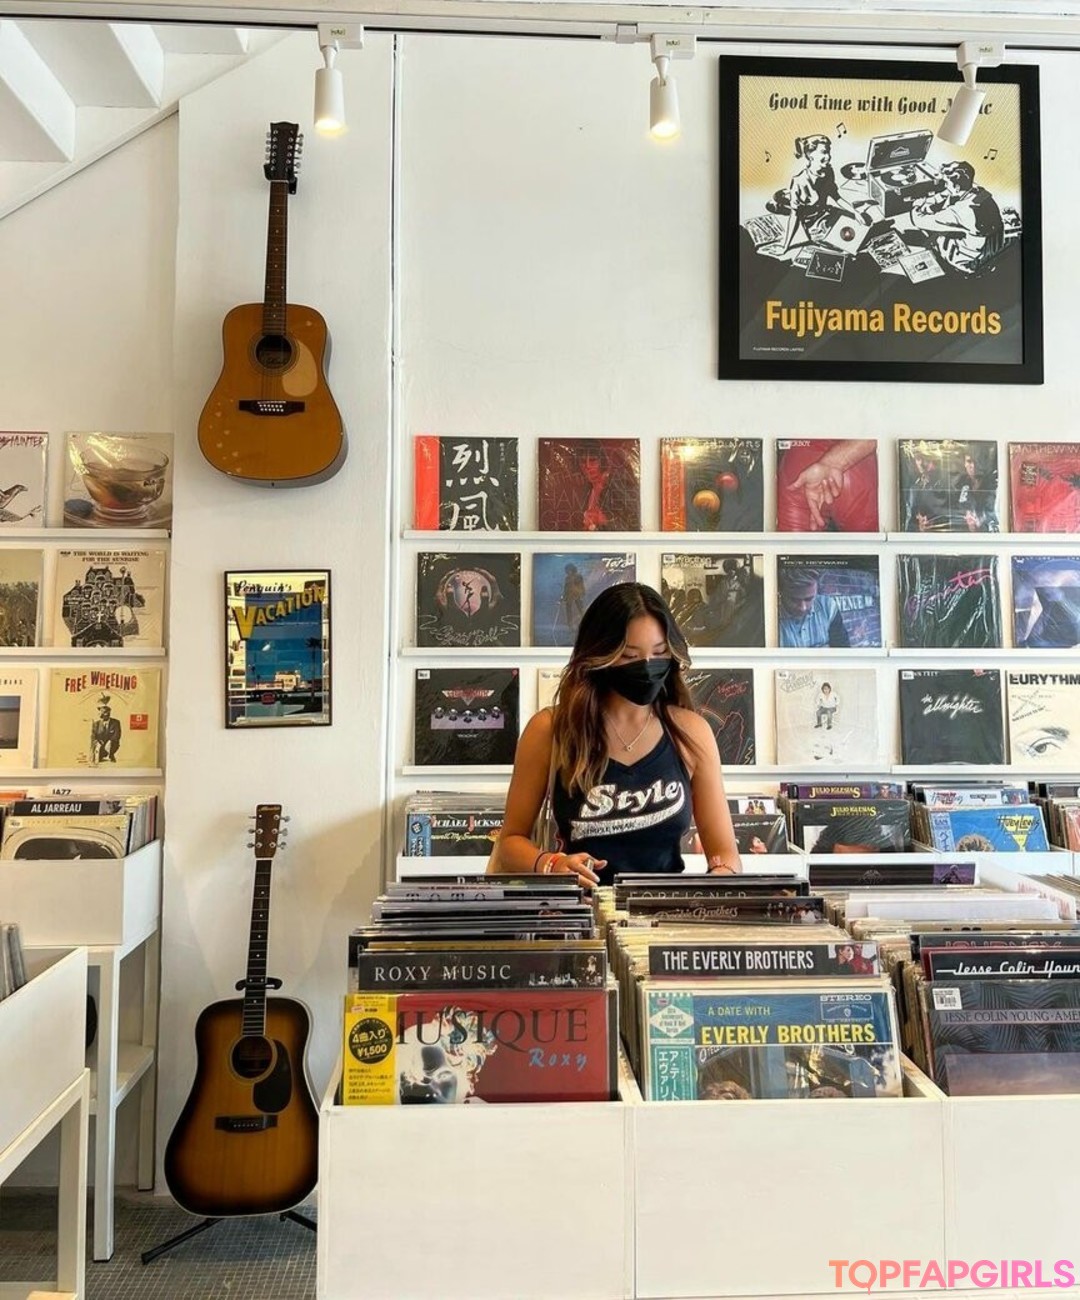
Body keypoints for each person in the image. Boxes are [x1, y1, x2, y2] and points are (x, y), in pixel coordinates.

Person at [490, 582, 742, 887]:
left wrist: (721, 876)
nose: (646, 667)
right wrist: (552, 864)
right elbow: (510, 842)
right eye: (629, 655)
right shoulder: (549, 730)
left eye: (660, 653)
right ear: (600, 654)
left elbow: (725, 854)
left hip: (662, 911)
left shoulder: (691, 731)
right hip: (579, 910)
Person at [904, 159, 1004, 275]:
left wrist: (917, 204)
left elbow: (919, 220)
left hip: (968, 262)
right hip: (988, 253)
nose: (945, 187)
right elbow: (951, 193)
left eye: (946, 184)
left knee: (929, 234)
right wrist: (935, 199)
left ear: (956, 186)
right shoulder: (981, 194)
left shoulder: (961, 211)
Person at [778, 568, 849, 649]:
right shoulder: (769, 616)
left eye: (809, 599)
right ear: (780, 593)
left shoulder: (828, 607)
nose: (803, 608)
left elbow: (843, 650)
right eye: (794, 600)